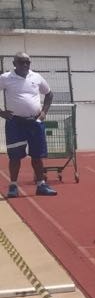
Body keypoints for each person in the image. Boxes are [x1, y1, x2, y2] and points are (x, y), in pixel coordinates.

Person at [0, 52, 56, 198]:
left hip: (35, 123)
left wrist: (44, 112)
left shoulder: (36, 77)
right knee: (14, 157)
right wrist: (1, 113)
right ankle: (13, 187)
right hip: (15, 123)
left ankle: (41, 185)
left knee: (37, 156)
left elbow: (49, 94)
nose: (25, 65)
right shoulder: (6, 78)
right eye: (21, 62)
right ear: (14, 64)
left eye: (27, 62)